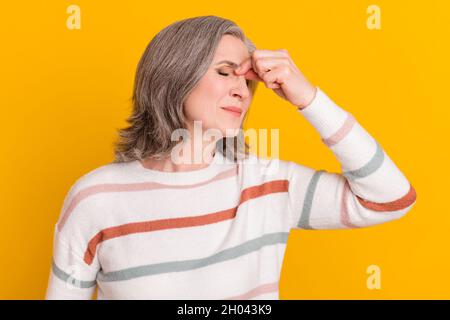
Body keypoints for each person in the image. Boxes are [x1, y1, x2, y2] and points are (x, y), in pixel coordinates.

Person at [45, 15, 417, 300]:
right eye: (225, 73)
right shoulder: (95, 199)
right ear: (174, 76)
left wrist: (309, 98)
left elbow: (392, 198)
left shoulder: (267, 184)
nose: (242, 89)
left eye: (248, 80)